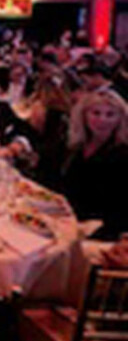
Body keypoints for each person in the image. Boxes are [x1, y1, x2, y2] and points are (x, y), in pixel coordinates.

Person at [60, 89, 128, 241]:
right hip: (66, 219)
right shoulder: (76, 146)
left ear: (120, 119)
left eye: (110, 114)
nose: (102, 120)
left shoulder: (123, 155)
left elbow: (122, 210)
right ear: (84, 115)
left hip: (99, 230)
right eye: (96, 113)